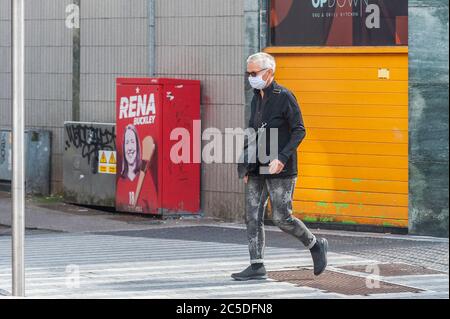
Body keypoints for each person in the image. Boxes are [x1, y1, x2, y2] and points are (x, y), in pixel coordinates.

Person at [232, 52, 328, 281]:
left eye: (254, 73)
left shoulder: (284, 96)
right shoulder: (256, 97)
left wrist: (282, 158)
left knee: (282, 217)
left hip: (280, 168)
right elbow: (252, 131)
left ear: (269, 73)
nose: (251, 77)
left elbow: (299, 130)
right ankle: (256, 265)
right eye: (249, 73)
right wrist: (246, 165)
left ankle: (315, 245)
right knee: (252, 215)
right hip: (257, 166)